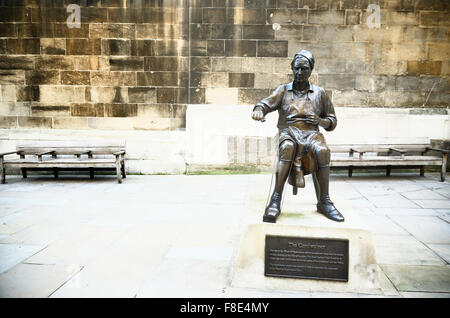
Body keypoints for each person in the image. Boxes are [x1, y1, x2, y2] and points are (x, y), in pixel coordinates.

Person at [251, 50, 344, 223]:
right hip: (289, 132)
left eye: (304, 69)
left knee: (323, 150)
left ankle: (324, 201)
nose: (300, 73)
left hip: (312, 134)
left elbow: (332, 121)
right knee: (287, 148)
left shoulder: (320, 93)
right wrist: (258, 110)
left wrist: (319, 120)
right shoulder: (283, 91)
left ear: (311, 70)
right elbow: (265, 104)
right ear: (292, 69)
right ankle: (275, 200)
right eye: (297, 69)